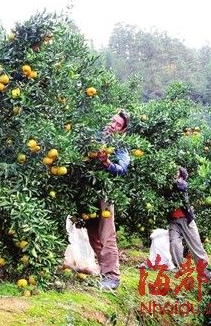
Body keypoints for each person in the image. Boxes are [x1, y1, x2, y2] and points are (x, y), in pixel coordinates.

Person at [88, 109, 130, 290]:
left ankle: (112, 276)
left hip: (104, 193)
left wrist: (107, 163)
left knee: (107, 234)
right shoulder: (94, 136)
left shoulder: (119, 146)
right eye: (113, 121)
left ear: (122, 131)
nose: (113, 125)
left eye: (118, 125)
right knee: (92, 235)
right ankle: (104, 273)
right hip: (87, 192)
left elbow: (123, 168)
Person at [166, 167, 210, 275]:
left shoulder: (182, 184)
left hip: (186, 220)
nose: (173, 173)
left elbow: (182, 185)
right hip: (174, 221)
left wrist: (175, 180)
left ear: (181, 175)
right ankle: (178, 267)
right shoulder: (168, 186)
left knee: (196, 247)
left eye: (176, 172)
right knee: (174, 243)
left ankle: (206, 273)